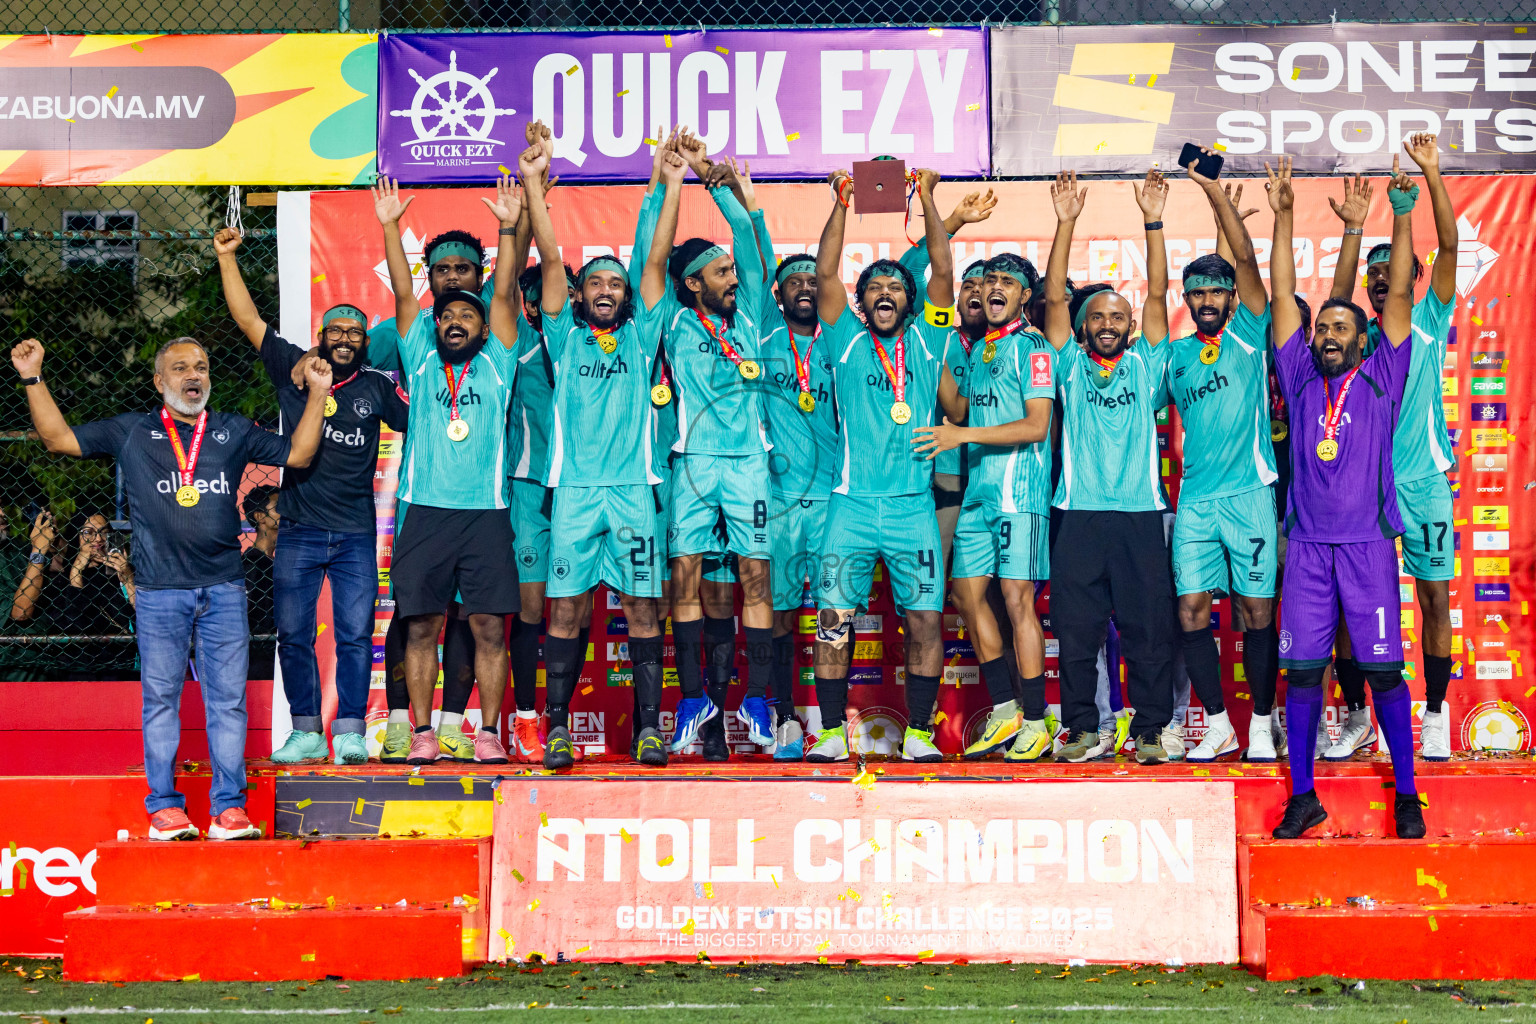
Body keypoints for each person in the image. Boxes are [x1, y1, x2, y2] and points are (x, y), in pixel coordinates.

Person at [12, 335, 328, 839]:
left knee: (228, 701)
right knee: (161, 699)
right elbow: (58, 439)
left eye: (201, 366)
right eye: (180, 368)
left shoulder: (231, 430)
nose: (193, 375)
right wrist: (33, 377)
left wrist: (317, 393)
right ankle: (164, 808)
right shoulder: (132, 431)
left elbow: (301, 453)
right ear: (160, 381)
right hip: (159, 592)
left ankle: (229, 810)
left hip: (223, 588)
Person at [1266, 154, 1426, 840]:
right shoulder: (1299, 377)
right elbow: (1279, 298)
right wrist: (1281, 217)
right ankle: (1303, 796)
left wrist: (1397, 211)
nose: (1327, 334)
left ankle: (1409, 794)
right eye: (1321, 327)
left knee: (1384, 672)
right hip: (1305, 551)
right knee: (1302, 673)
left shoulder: (1384, 376)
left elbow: (1398, 302)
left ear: (1362, 341)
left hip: (1366, 548)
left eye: (1340, 328)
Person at [218, 227, 410, 764]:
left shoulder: (375, 385)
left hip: (354, 535)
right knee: (294, 635)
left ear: (365, 341)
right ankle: (306, 730)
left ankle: (349, 730)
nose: (345, 338)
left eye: (354, 331)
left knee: (353, 636)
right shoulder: (294, 372)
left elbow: (424, 421)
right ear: (321, 337)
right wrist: (227, 257)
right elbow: (248, 320)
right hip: (298, 528)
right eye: (336, 330)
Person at [520, 130, 670, 768]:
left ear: (628, 296)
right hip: (577, 494)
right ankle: (556, 729)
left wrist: (669, 181)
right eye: (595, 282)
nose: (606, 287)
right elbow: (551, 261)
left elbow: (655, 258)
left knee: (642, 609)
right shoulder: (564, 336)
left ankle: (648, 731)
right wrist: (533, 184)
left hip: (635, 494)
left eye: (616, 281)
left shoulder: (642, 338)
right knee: (567, 610)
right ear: (581, 297)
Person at [366, 170, 524, 764]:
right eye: (447, 315)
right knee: (422, 626)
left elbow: (505, 291)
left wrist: (509, 228)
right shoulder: (421, 356)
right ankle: (423, 733)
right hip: (426, 513)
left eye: (469, 315)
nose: (455, 320)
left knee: (487, 628)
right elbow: (406, 297)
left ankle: (486, 733)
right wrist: (390, 227)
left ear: (486, 326)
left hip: (487, 514)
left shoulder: (501, 361)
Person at [803, 166, 953, 763]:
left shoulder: (931, 338)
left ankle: (918, 733)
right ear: (862, 302)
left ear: (909, 301)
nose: (885, 292)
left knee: (923, 623)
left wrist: (933, 200)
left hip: (913, 509)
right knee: (835, 621)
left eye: (895, 286)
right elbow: (823, 272)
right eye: (875, 287)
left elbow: (943, 268)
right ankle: (835, 733)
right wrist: (841, 204)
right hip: (852, 507)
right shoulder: (841, 340)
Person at [1326, 133, 1458, 762]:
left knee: (1434, 596)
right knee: (1353, 612)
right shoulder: (1350, 339)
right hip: (1363, 491)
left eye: (1393, 276)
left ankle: (1434, 713)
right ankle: (1357, 716)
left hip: (1424, 483)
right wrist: (1356, 240)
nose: (1382, 286)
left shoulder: (1428, 318)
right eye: (1374, 281)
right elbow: (1335, 298)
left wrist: (1431, 174)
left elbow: (1451, 245)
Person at [1147, 162, 1282, 764]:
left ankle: (1260, 723)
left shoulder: (1252, 334)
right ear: (1187, 298)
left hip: (1251, 493)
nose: (1205, 300)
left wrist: (1208, 192)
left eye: (1215, 291)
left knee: (1256, 613)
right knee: (1191, 611)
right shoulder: (1173, 354)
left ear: (1231, 299)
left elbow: (1249, 263)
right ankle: (1220, 722)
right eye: (1195, 292)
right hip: (1196, 501)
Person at [1042, 171, 1177, 765]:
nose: (1107, 323)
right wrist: (1066, 220)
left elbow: (1156, 294)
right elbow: (1051, 298)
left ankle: (1150, 729)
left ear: (1129, 328)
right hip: (1078, 517)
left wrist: (1153, 220)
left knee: (1148, 634)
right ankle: (1082, 729)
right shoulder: (1067, 364)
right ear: (1081, 327)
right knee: (1077, 635)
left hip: (1141, 517)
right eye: (1096, 316)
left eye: (1116, 317)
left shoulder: (1149, 366)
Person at [650, 134, 776, 758]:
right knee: (686, 572)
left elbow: (755, 250)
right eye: (720, 273)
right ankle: (695, 694)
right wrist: (670, 182)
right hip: (693, 465)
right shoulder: (671, 321)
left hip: (749, 464)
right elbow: (654, 254)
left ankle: (756, 698)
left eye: (730, 270)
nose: (733, 278)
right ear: (693, 285)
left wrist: (716, 181)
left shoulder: (752, 314)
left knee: (755, 575)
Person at [913, 252, 1057, 762]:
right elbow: (957, 408)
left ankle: (1039, 720)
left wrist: (962, 435)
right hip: (978, 496)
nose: (994, 287)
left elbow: (1036, 425)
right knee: (965, 594)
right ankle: (1004, 709)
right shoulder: (978, 351)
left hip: (1020, 495)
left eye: (1006, 282)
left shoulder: (1035, 348)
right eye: (988, 279)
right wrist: (933, 353)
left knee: (1018, 601)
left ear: (1023, 296)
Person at [240, 486, 278, 682]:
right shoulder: (252, 564)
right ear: (260, 516)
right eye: (279, 506)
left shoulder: (272, 562)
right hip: (258, 664)